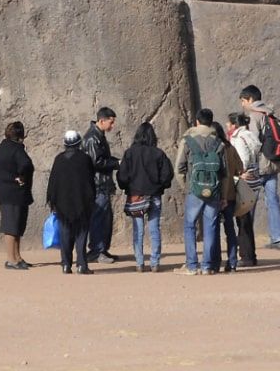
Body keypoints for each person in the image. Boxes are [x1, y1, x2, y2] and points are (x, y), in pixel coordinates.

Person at [115, 120, 174, 272]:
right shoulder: (158, 153)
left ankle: (139, 262)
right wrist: (161, 186)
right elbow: (167, 174)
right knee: (154, 229)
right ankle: (155, 263)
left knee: (138, 230)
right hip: (154, 194)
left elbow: (122, 175)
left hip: (136, 196)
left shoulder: (129, 153)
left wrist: (127, 187)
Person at [176, 107, 226, 275]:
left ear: (197, 121)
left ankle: (191, 265)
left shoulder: (188, 140)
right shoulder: (219, 142)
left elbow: (179, 168)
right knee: (211, 226)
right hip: (214, 189)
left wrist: (188, 186)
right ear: (211, 122)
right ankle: (207, 266)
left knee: (190, 225)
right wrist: (223, 194)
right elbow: (224, 173)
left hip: (194, 189)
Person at [240, 85, 280, 250]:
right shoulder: (271, 114)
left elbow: (253, 142)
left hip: (258, 166)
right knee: (273, 201)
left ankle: (247, 242)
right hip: (273, 165)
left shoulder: (254, 116)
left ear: (251, 100)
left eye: (243, 101)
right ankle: (278, 239)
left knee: (249, 203)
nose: (242, 105)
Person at [46, 130, 98, 274]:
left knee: (65, 232)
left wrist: (53, 201)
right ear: (79, 142)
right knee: (81, 233)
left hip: (62, 203)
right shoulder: (85, 159)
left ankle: (66, 264)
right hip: (82, 202)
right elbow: (90, 180)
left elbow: (53, 182)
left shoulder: (59, 159)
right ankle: (81, 264)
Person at [0, 121, 36, 270]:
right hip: (15, 193)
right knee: (12, 227)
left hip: (3, 192)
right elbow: (26, 164)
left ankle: (16, 256)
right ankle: (12, 259)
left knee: (13, 226)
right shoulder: (17, 149)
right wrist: (20, 176)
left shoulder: (0, 149)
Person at [81, 106, 120, 263]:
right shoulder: (92, 138)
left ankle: (102, 248)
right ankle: (96, 250)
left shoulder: (99, 136)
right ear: (102, 120)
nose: (112, 126)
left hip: (102, 184)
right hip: (97, 185)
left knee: (105, 218)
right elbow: (96, 162)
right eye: (111, 122)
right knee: (98, 218)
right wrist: (117, 163)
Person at [209, 115, 247, 273]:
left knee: (214, 228)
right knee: (230, 229)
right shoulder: (230, 148)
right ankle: (232, 261)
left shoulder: (212, 149)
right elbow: (240, 167)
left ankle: (216, 261)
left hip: (215, 193)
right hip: (231, 193)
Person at [225, 111, 262, 270]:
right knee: (246, 219)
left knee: (242, 219)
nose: (227, 125)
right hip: (254, 180)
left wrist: (239, 172)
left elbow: (243, 160)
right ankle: (250, 255)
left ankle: (246, 256)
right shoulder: (250, 135)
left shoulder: (238, 138)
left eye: (229, 123)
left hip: (244, 182)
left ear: (234, 125)